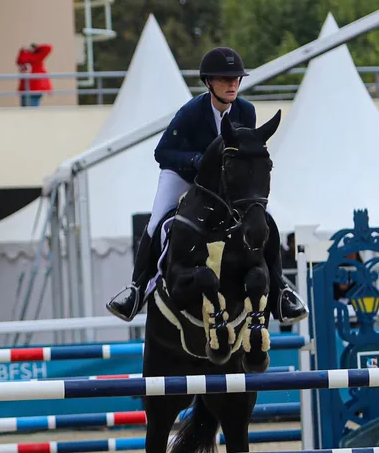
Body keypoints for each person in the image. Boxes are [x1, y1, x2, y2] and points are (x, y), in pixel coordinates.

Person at [105, 46, 308, 324]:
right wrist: (196, 160)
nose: (232, 84)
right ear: (208, 82)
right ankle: (136, 289)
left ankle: (281, 289)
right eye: (225, 79)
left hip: (225, 183)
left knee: (266, 221)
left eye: (236, 79)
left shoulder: (246, 111)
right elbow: (162, 153)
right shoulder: (191, 112)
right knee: (155, 224)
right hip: (185, 175)